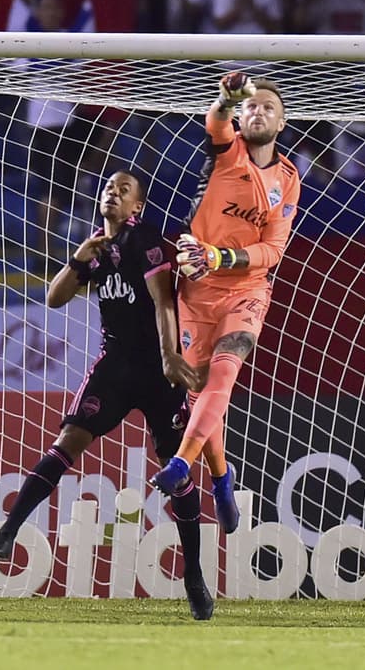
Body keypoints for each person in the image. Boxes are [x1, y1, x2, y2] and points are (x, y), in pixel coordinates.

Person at [0, 171, 213, 620]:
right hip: (114, 366)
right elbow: (53, 299)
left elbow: (164, 301)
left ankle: (194, 575)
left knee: (177, 468)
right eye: (109, 187)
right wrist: (75, 260)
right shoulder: (95, 247)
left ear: (136, 207)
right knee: (68, 440)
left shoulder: (145, 240)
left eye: (124, 190)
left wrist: (169, 357)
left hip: (156, 369)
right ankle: (9, 530)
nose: (113, 192)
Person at [150, 73, 301, 533]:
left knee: (226, 367)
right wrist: (226, 98)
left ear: (282, 122)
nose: (258, 112)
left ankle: (181, 463)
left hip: (248, 288)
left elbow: (273, 249)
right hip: (198, 290)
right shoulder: (227, 149)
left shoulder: (289, 179)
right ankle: (221, 477)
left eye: (268, 108)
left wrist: (221, 255)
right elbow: (216, 121)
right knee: (199, 395)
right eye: (252, 107)